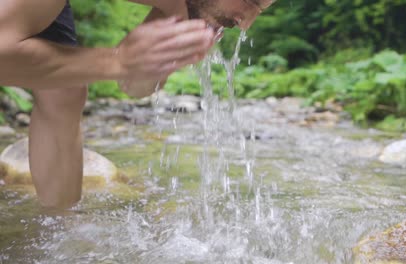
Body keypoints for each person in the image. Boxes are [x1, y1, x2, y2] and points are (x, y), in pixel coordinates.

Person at [0, 0, 273, 209]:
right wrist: (116, 61)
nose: (246, 22)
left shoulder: (190, 3)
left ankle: (57, 232)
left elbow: (133, 86)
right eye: (250, 1)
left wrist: (154, 63)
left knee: (63, 89)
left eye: (262, 7)